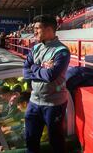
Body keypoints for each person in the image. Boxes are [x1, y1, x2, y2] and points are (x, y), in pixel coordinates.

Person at [23, 14, 70, 153]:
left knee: (56, 141)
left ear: (49, 30)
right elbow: (25, 71)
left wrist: (34, 67)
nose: (34, 31)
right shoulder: (35, 48)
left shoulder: (62, 51)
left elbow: (50, 76)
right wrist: (40, 68)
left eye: (37, 28)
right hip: (34, 102)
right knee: (31, 140)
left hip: (54, 104)